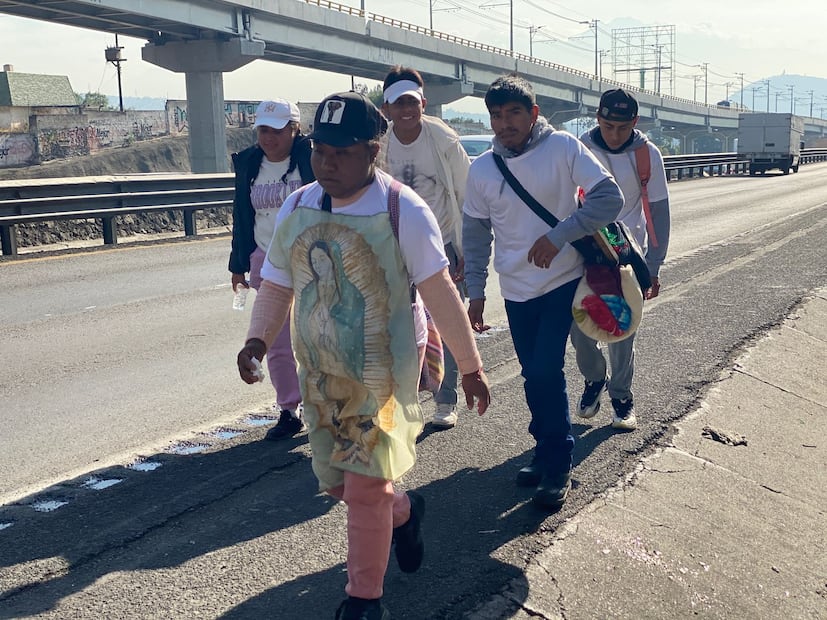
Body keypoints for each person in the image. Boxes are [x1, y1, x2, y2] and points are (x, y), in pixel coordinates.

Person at [236, 91, 491, 620]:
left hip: (386, 370)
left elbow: (441, 292)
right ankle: (403, 513)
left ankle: (364, 601)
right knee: (344, 485)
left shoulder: (402, 208)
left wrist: (471, 367)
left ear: (373, 151)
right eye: (321, 150)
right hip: (325, 372)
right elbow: (278, 284)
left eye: (343, 152)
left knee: (366, 480)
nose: (327, 163)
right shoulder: (299, 204)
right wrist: (257, 340)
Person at [462, 75, 623, 511]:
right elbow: (475, 234)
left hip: (561, 280)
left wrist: (560, 236)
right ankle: (543, 446)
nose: (504, 123)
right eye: (496, 115)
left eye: (514, 112)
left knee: (546, 370)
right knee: (534, 373)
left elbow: (610, 196)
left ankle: (558, 464)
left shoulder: (563, 148)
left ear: (534, 114)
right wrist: (475, 291)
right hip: (514, 289)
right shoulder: (481, 169)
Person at [571, 88, 671, 431]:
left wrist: (653, 267)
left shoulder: (647, 155)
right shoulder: (580, 148)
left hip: (627, 256)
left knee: (623, 328)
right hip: (583, 252)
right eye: (609, 126)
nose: (615, 134)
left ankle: (622, 399)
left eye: (623, 128)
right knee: (580, 325)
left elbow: (659, 214)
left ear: (635, 123)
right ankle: (593, 379)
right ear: (597, 118)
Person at [378, 65, 471, 430]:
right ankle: (402, 401)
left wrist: (465, 249)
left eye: (412, 102)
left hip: (440, 244)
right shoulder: (378, 143)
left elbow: (466, 195)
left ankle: (445, 398)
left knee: (446, 321)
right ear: (385, 108)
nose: (406, 110)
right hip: (392, 248)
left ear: (423, 103)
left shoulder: (443, 138)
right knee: (397, 328)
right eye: (398, 103)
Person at [228, 98, 315, 440]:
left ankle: (321, 404)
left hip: (312, 258)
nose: (269, 137)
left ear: (295, 130)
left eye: (277, 130)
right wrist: (238, 265)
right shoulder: (250, 163)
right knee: (274, 340)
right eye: (263, 129)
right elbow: (241, 216)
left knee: (314, 337)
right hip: (266, 257)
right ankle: (289, 409)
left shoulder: (312, 158)